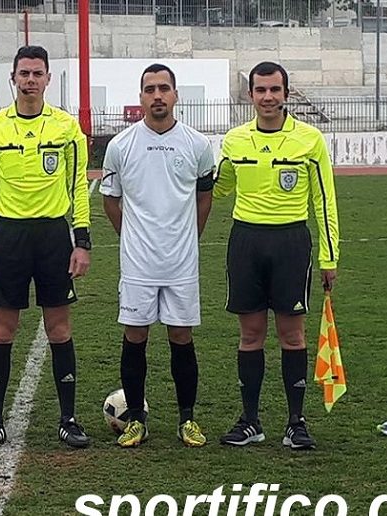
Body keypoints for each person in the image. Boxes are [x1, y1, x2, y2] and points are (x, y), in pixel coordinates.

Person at [0, 45, 91, 449]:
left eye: (37, 73)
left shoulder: (66, 127)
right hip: (8, 237)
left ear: (48, 79)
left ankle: (68, 419)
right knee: (3, 330)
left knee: (59, 329)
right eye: (24, 73)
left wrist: (81, 241)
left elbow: (78, 186)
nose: (30, 80)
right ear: (13, 78)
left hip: (53, 237)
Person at [214, 61, 340, 450]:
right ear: (250, 94)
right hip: (246, 242)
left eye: (274, 90)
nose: (268, 97)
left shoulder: (309, 140)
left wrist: (329, 256)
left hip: (290, 243)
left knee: (292, 334)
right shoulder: (234, 140)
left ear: (286, 93)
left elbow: (324, 200)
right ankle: (250, 421)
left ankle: (295, 423)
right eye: (260, 90)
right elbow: (219, 187)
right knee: (250, 334)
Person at [101, 63, 214, 448]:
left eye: (164, 88)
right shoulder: (121, 146)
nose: (157, 96)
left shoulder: (197, 145)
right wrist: (132, 238)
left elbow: (204, 198)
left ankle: (187, 420)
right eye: (150, 89)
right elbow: (111, 201)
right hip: (138, 263)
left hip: (181, 262)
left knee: (181, 336)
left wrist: (189, 239)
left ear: (176, 95)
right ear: (141, 97)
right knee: (136, 335)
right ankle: (136, 420)